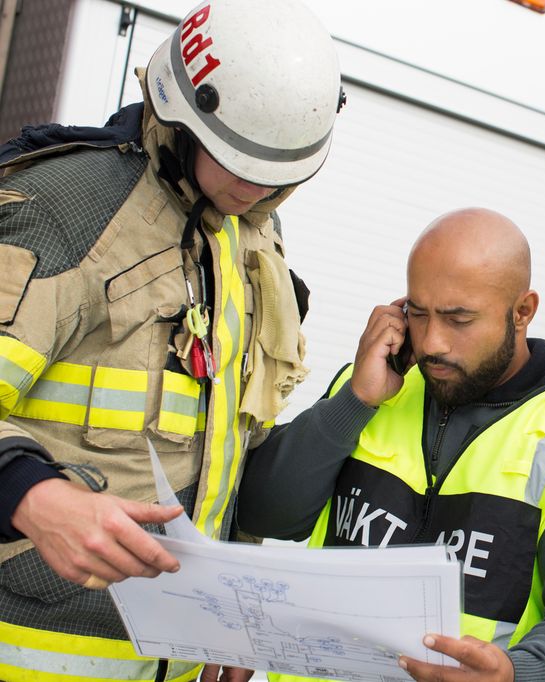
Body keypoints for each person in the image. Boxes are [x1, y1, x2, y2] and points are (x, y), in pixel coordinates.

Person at [0, 0, 345, 680]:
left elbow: (228, 445)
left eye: (279, 174)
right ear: (183, 115)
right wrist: (29, 497)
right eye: (238, 162)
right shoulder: (66, 209)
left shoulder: (251, 238)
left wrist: (234, 617)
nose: (255, 188)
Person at [236, 207, 545, 682]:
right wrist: (355, 401)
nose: (432, 342)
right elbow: (262, 514)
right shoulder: (370, 389)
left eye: (458, 319)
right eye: (418, 312)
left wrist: (518, 674)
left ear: (522, 311)